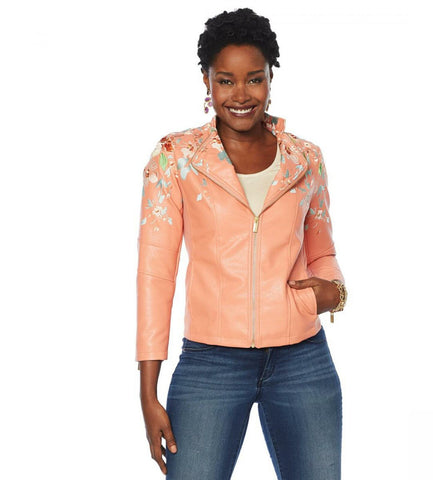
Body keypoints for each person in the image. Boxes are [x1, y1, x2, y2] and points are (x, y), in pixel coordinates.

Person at [136, 8, 348, 480]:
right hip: (210, 361)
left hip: (303, 359)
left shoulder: (305, 158)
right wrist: (147, 392)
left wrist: (334, 291)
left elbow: (322, 251)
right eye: (225, 80)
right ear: (206, 81)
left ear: (271, 77)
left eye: (254, 79)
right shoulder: (176, 158)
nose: (240, 95)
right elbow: (155, 276)